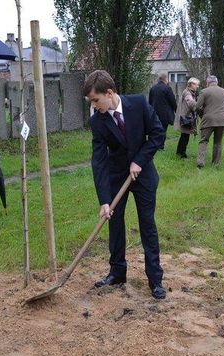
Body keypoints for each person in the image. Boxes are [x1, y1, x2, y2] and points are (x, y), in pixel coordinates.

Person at [83, 70, 166, 299]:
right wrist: (105, 200)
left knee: (147, 224)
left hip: (144, 175)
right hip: (117, 177)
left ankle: (155, 279)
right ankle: (117, 272)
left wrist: (139, 161)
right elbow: (98, 161)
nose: (94, 105)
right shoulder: (97, 121)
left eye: (95, 100)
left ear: (109, 93)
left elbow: (158, 134)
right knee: (115, 224)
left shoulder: (138, 104)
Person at [195, 75, 224, 168]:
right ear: (216, 82)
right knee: (218, 142)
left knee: (204, 141)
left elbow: (197, 107)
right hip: (222, 120)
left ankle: (200, 162)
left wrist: (202, 115)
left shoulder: (204, 91)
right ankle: (216, 164)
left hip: (208, 120)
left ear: (207, 83)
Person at [173, 77, 200, 158]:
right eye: (196, 84)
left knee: (184, 136)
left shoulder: (189, 92)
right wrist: (198, 107)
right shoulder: (188, 93)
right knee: (185, 136)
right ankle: (182, 155)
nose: (197, 86)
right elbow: (191, 103)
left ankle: (179, 153)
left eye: (198, 85)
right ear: (191, 84)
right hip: (186, 118)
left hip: (185, 117)